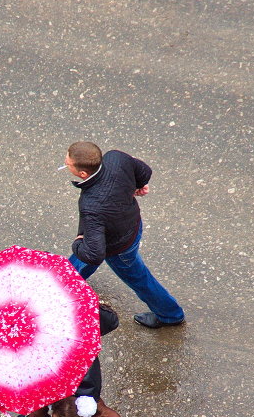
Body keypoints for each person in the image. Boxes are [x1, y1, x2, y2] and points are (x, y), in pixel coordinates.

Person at [63, 141, 185, 329]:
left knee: (139, 278)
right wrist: (136, 186)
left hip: (118, 246)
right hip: (132, 225)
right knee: (87, 249)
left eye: (68, 163)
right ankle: (65, 282)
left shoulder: (91, 205)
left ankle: (170, 315)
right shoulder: (115, 158)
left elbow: (95, 254)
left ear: (83, 174)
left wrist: (77, 243)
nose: (66, 162)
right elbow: (145, 171)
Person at [16, 303, 145, 417]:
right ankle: (39, 414)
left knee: (94, 407)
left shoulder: (65, 299)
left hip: (76, 363)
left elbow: (107, 321)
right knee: (42, 387)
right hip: (51, 358)